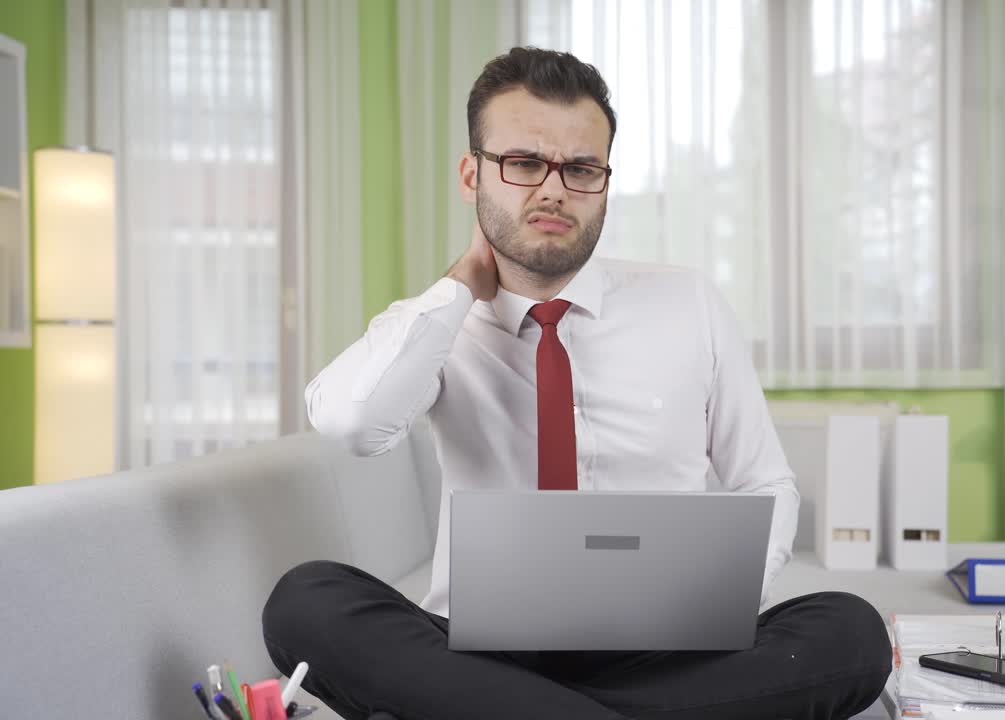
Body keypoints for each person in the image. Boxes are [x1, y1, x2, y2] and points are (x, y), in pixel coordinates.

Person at [261, 46, 891, 720]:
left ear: (604, 184)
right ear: (472, 175)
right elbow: (353, 424)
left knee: (850, 632)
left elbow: (765, 481)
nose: (554, 189)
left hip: (672, 654)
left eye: (581, 168)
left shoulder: (689, 302)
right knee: (305, 601)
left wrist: (720, 601)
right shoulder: (436, 325)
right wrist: (459, 288)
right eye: (524, 163)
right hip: (482, 655)